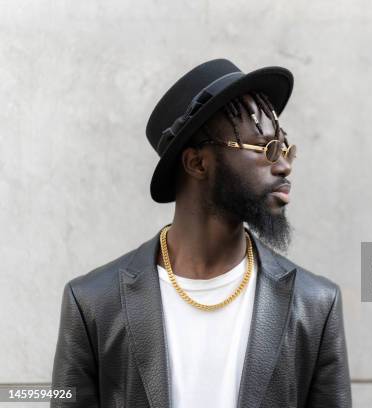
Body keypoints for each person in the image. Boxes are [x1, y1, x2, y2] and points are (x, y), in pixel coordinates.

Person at [51, 59, 352, 408]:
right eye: (266, 148)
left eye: (286, 150)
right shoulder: (94, 303)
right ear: (197, 163)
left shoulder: (314, 304)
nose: (283, 165)